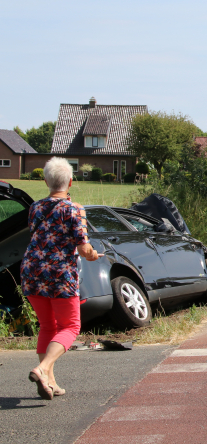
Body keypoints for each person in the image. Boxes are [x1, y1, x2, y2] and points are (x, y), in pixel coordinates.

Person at [21, 157, 103, 400]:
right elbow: (83, 248)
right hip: (59, 274)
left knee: (47, 326)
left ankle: (50, 383)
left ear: (46, 181)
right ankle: (43, 368)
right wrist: (93, 255)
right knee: (71, 326)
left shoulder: (35, 207)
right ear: (70, 181)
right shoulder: (74, 209)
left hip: (31, 271)